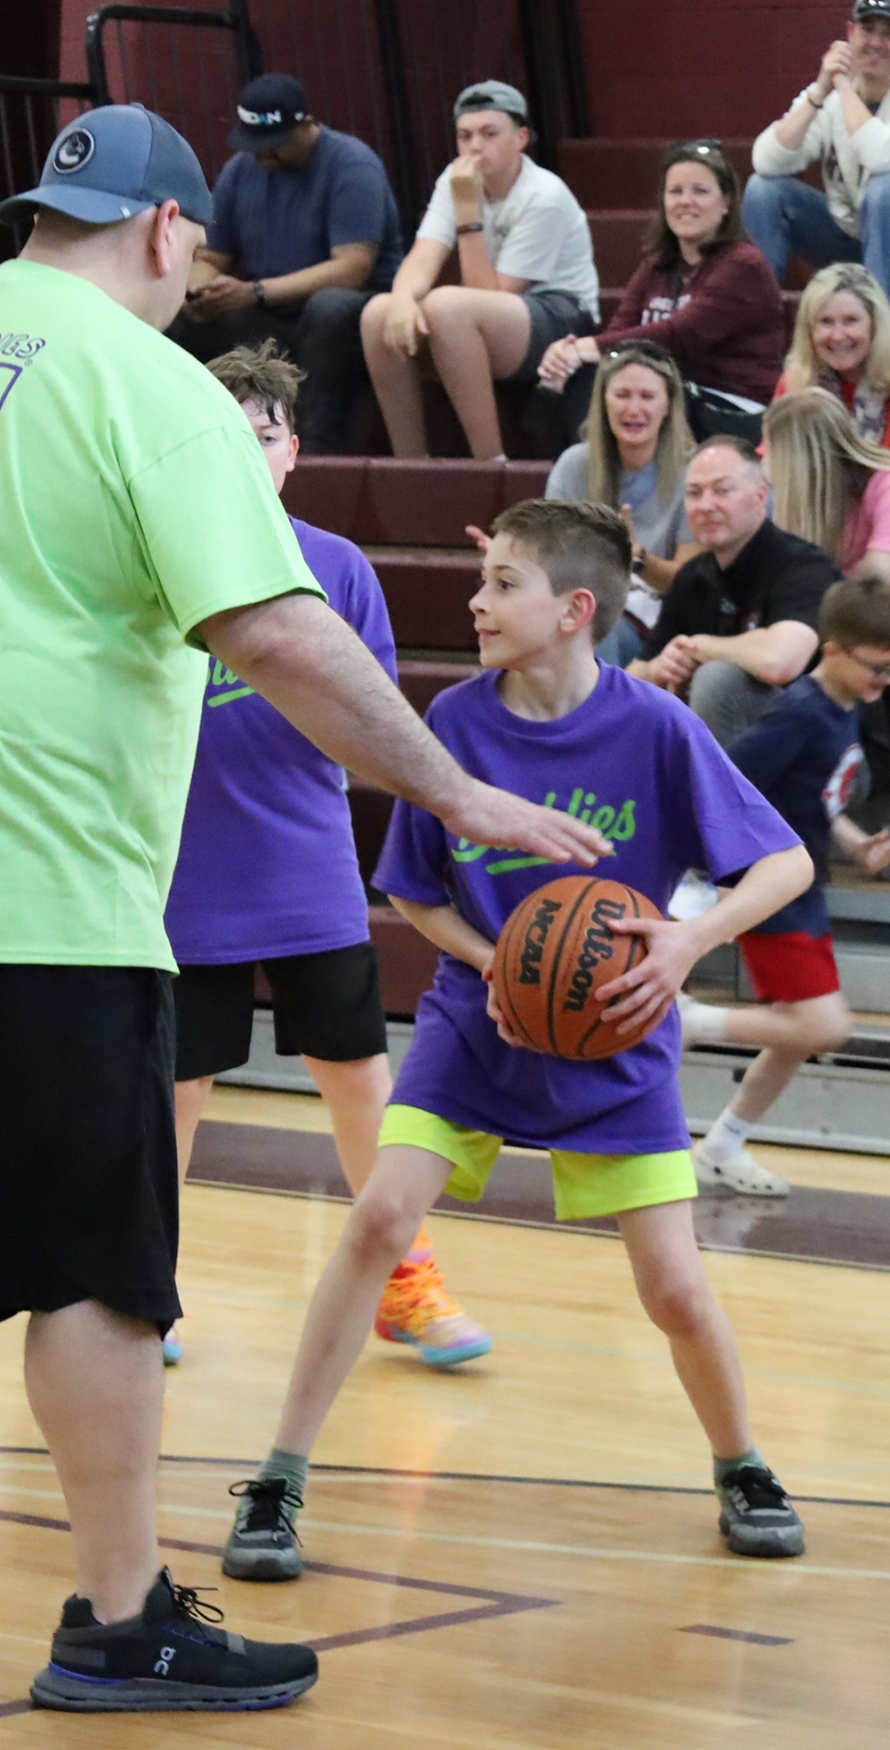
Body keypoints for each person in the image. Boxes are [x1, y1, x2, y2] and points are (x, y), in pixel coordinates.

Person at [0, 105, 608, 1715]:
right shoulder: (147, 382)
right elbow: (281, 635)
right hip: (25, 887)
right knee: (101, 1270)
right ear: (173, 232)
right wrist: (456, 796)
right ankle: (119, 1618)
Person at [219, 497, 812, 1585]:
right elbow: (414, 894)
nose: (476, 601)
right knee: (377, 1220)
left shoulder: (657, 727)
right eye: (481, 580)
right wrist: (502, 966)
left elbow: (785, 867)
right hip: (475, 1024)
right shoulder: (454, 722)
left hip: (619, 1037)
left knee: (675, 1288)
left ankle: (744, 1463)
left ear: (575, 608)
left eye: (501, 584)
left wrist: (685, 942)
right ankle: (277, 1476)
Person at [166, 342, 490, 1371]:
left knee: (359, 1079)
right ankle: (144, 1281)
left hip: (303, 866)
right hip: (180, 868)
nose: (243, 448)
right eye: (222, 432)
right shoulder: (154, 557)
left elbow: (371, 716)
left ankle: (407, 1277)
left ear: (290, 451)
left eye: (261, 432)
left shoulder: (336, 568)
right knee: (173, 1090)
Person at [682, 573, 890, 1193]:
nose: (885, 681)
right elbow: (730, 782)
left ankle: (723, 1145)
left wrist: (855, 842)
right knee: (823, 1028)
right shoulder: (802, 710)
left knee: (795, 1038)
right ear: (833, 651)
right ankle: (687, 1023)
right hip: (775, 892)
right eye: (877, 667)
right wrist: (725, 875)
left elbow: (814, 797)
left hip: (806, 888)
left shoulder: (845, 707)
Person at [360, 80, 598, 461]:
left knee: (447, 306)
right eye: (465, 135)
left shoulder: (545, 196)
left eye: (489, 134)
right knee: (378, 313)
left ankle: (490, 462)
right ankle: (411, 460)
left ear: (520, 138)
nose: (474, 146)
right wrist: (403, 298)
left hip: (560, 315)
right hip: (495, 315)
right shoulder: (455, 181)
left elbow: (492, 295)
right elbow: (423, 257)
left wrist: (468, 213)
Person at [170, 72, 403, 452]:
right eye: (253, 144)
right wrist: (198, 290)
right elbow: (212, 256)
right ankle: (192, 442)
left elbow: (352, 267)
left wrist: (255, 291)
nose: (263, 154)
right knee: (180, 317)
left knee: (329, 308)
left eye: (273, 143)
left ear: (306, 125)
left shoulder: (352, 166)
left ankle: (320, 450)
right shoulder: (242, 170)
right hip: (271, 310)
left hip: (356, 313)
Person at [538, 141, 784, 445]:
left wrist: (587, 348)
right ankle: (591, 476)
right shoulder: (657, 264)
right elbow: (620, 332)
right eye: (676, 191)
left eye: (700, 191)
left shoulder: (743, 265)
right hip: (670, 394)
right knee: (584, 379)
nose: (686, 201)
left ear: (726, 204)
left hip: (730, 407)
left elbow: (679, 336)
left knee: (619, 386)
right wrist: (569, 360)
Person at [629, 437, 842, 744]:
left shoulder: (804, 565)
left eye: (722, 490)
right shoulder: (692, 576)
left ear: (759, 496)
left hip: (816, 749)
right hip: (747, 743)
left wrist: (698, 647)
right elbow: (634, 674)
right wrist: (658, 668)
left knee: (718, 679)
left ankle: (715, 793)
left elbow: (781, 660)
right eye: (694, 493)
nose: (706, 505)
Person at [545, 340, 698, 666]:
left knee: (593, 627)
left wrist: (636, 556)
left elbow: (689, 586)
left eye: (647, 396)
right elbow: (552, 558)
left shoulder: (693, 473)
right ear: (603, 401)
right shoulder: (573, 466)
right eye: (623, 395)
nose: (633, 409)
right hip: (578, 603)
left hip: (658, 619)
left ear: (668, 404)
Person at [746, 0, 890, 295]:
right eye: (868, 29)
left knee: (883, 190)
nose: (876, 42)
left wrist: (845, 86)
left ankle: (882, 327)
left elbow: (880, 158)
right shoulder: (831, 97)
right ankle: (759, 316)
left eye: (888, 33)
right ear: (850, 33)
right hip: (846, 239)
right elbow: (765, 160)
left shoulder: (844, 91)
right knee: (762, 190)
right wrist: (821, 90)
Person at [763, 385, 890, 579]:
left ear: (796, 461)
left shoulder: (884, 485)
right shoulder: (791, 499)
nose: (764, 461)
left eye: (771, 449)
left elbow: (879, 580)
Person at [775, 261, 890, 443]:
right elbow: (774, 458)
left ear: (876, 326)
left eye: (850, 320)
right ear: (809, 330)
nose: (837, 336)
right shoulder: (795, 383)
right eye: (826, 322)